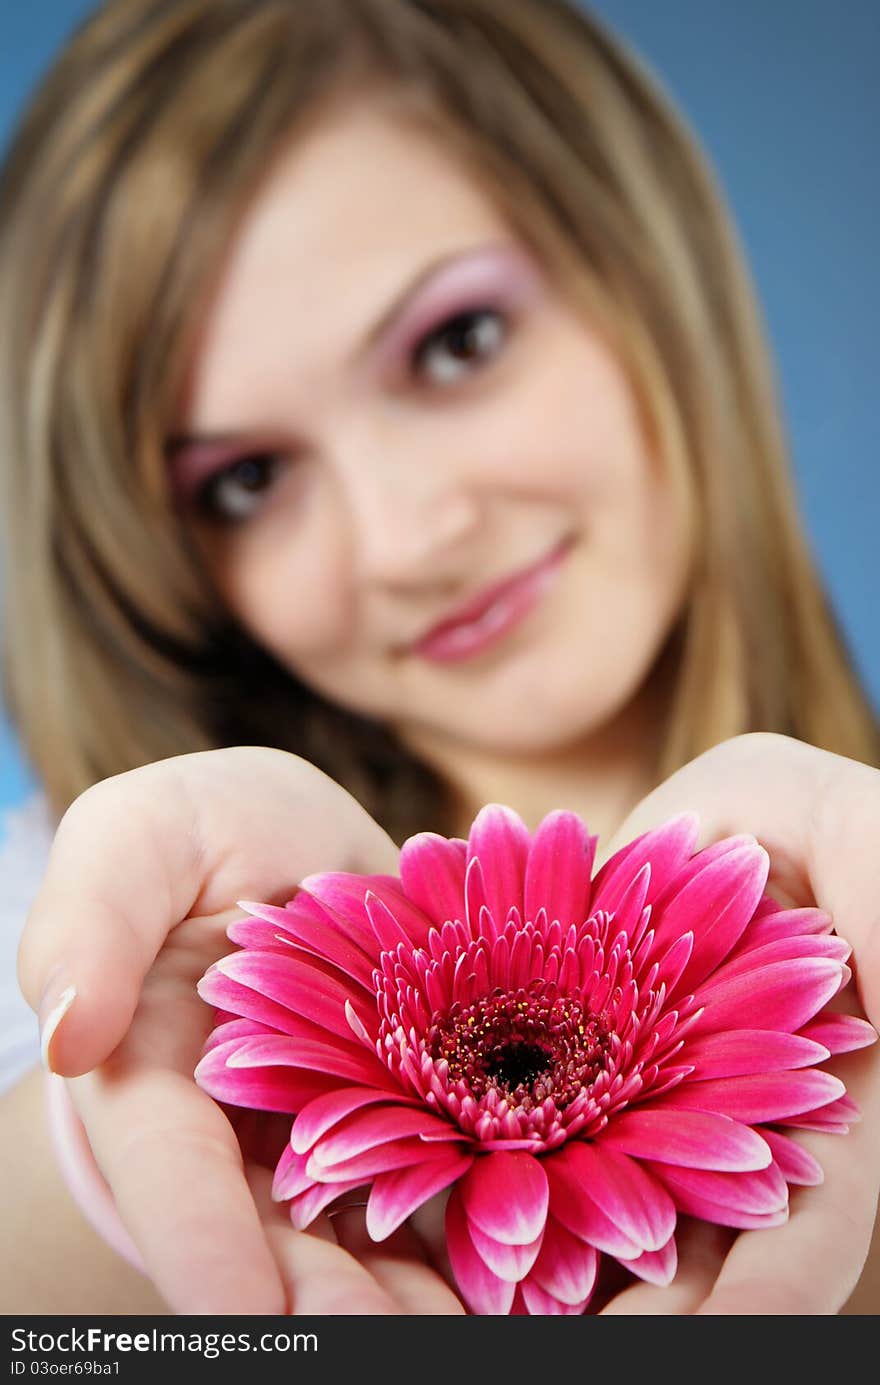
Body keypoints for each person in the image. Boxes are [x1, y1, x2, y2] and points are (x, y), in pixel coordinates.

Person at [0, 0, 877, 1314]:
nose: (410, 538)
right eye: (246, 478)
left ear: (646, 266)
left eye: (455, 344)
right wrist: (94, 1169)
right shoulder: (89, 925)